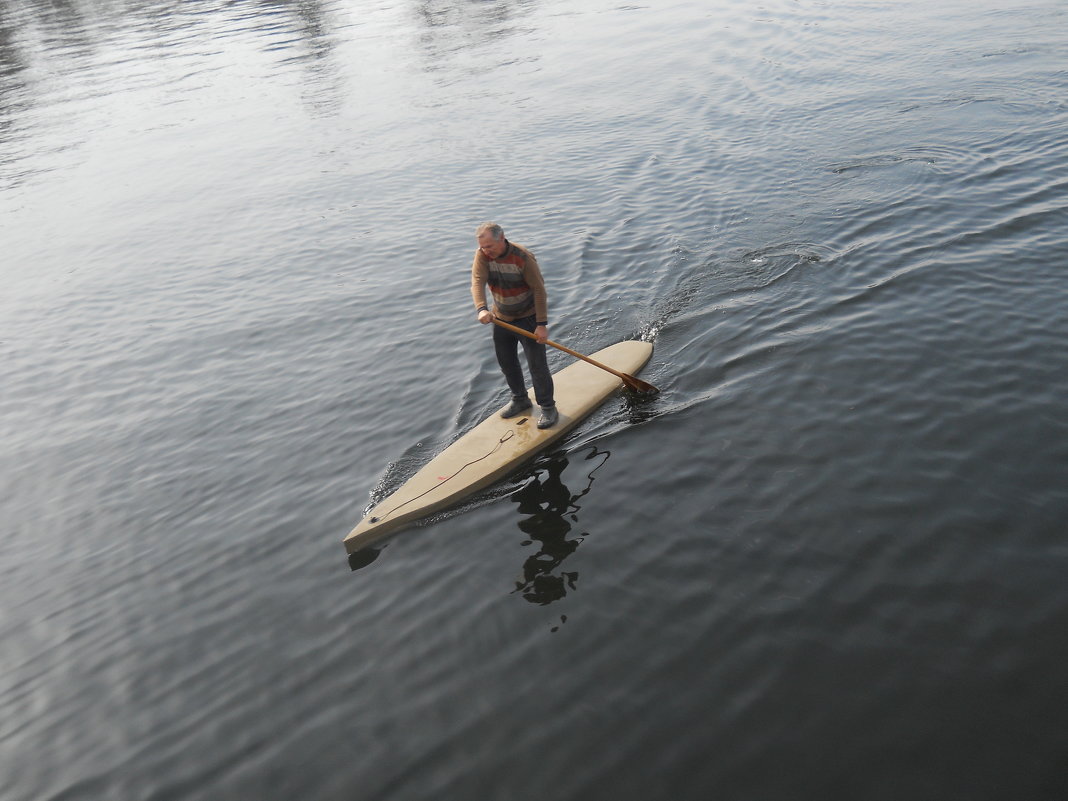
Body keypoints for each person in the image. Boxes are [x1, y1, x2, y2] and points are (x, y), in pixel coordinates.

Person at [471, 222, 558, 429]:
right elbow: (477, 281)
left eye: (489, 246)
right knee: (507, 363)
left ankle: (547, 407)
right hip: (500, 318)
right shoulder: (482, 255)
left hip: (528, 318)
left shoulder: (523, 257)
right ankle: (520, 399)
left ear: (502, 238)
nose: (485, 251)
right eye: (482, 247)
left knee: (537, 366)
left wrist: (541, 324)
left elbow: (539, 290)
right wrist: (481, 308)